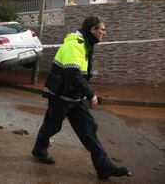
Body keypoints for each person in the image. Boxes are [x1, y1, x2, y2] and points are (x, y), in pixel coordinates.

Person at [31, 16, 131, 179]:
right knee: (51, 126)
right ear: (93, 30)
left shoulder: (85, 45)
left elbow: (79, 76)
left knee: (89, 130)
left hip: (76, 98)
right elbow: (72, 74)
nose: (104, 33)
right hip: (61, 97)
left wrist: (84, 93)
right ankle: (39, 150)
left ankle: (104, 167)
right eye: (102, 30)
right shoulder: (73, 45)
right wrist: (91, 94)